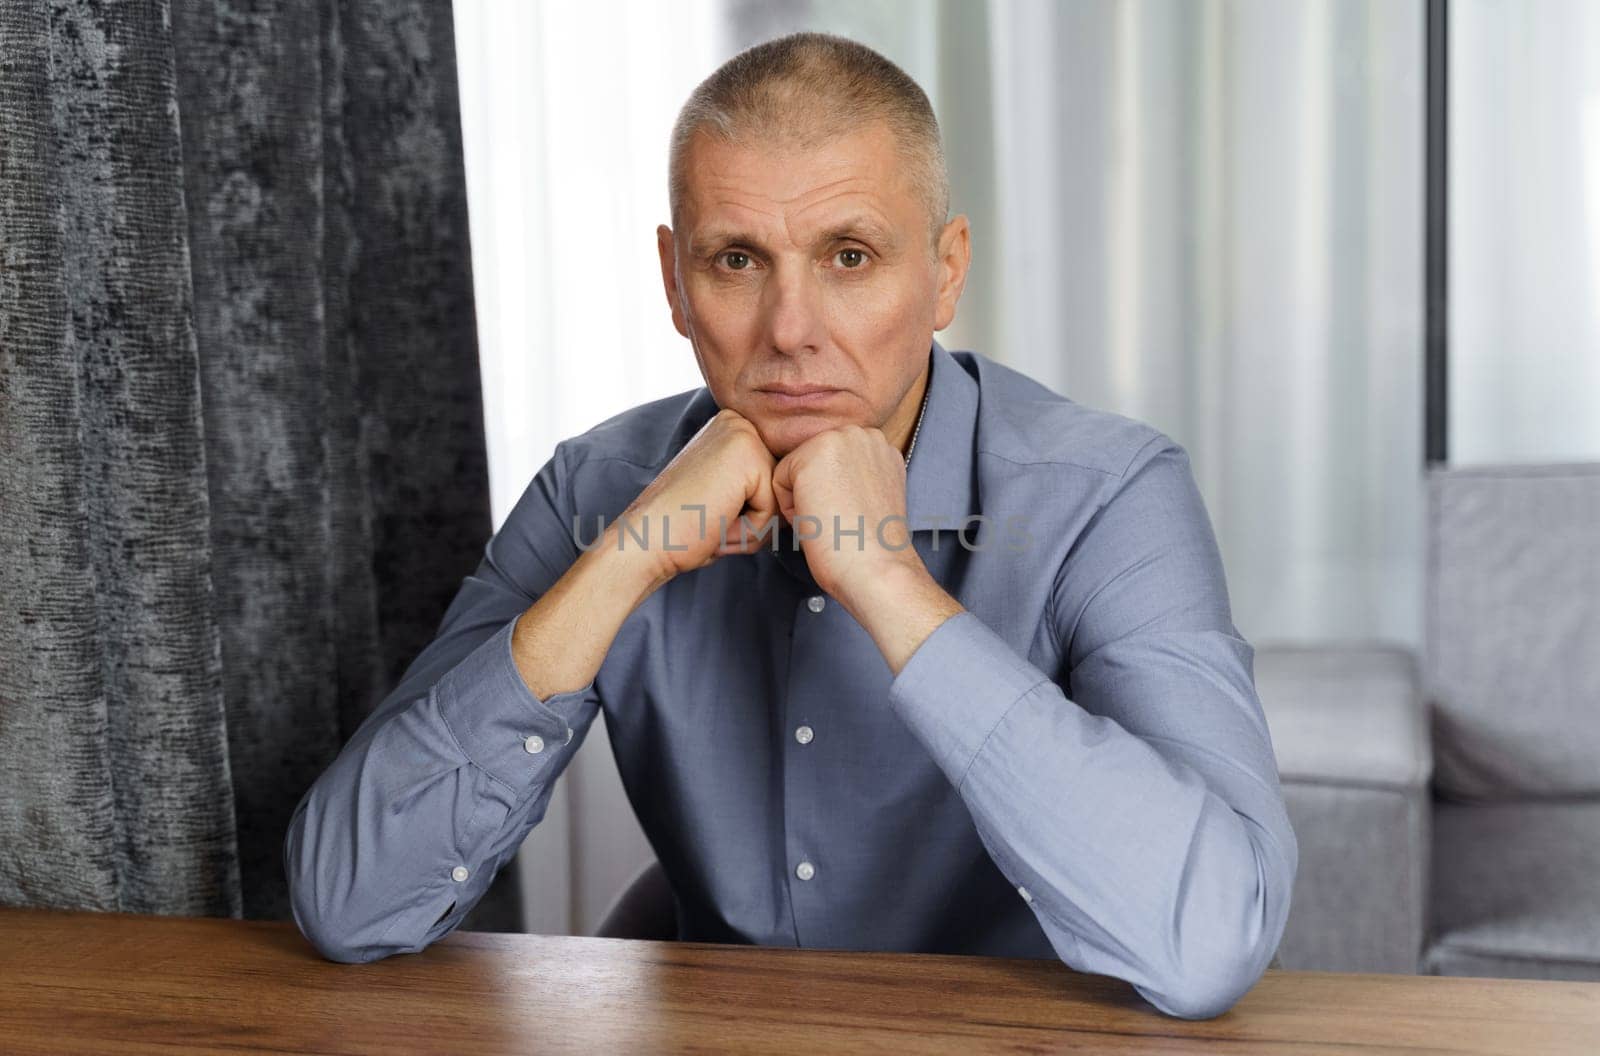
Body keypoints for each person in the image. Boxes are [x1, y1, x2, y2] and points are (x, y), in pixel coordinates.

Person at [284, 31, 1297, 1021]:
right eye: (736, 260)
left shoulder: (1107, 496)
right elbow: (349, 899)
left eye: (848, 256)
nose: (789, 330)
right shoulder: (598, 488)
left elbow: (1210, 940)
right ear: (676, 283)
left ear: (945, 273)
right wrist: (621, 562)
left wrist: (890, 587)